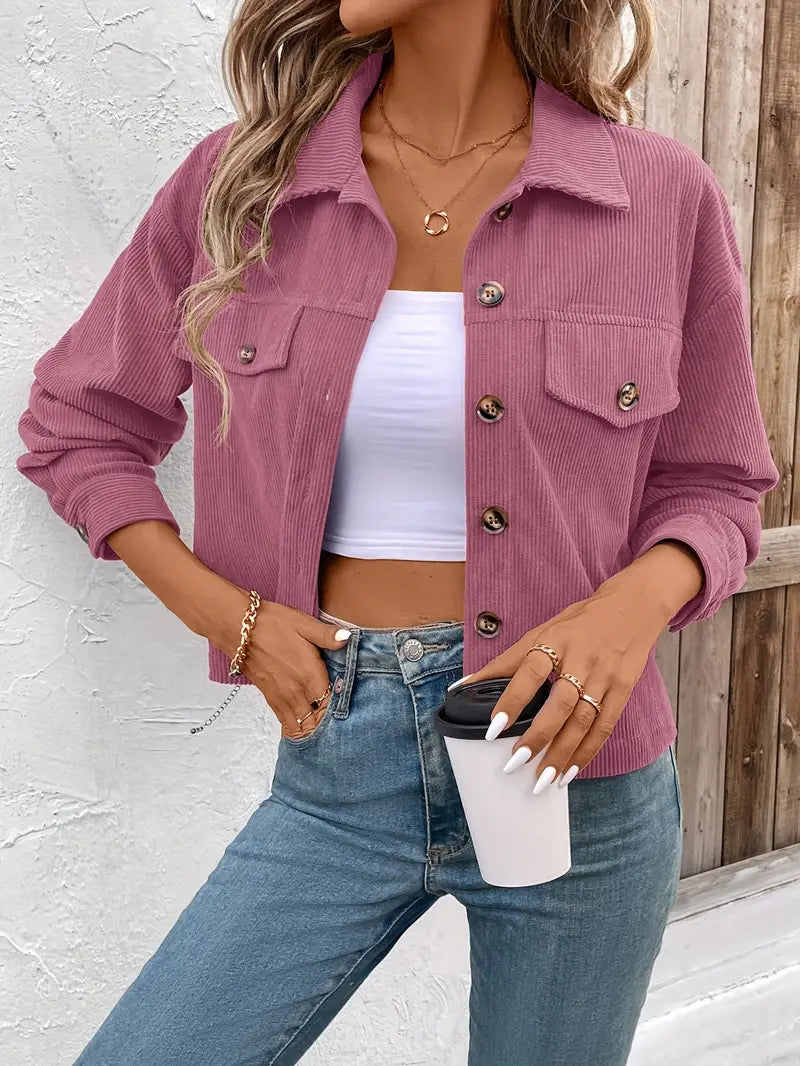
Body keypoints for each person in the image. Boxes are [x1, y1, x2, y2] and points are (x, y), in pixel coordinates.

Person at [16, 1, 780, 1063]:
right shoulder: (243, 183)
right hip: (341, 758)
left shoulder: (658, 194)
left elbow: (717, 483)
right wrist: (227, 615)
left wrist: (627, 610)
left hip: (574, 773)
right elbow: (79, 424)